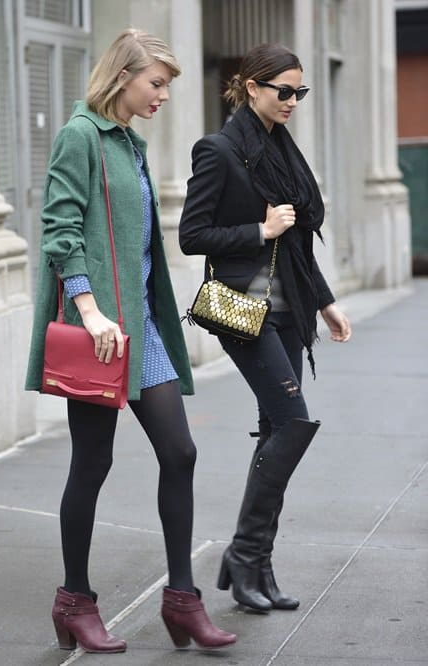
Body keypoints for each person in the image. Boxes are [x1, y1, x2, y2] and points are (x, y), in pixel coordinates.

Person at [25, 29, 237, 653]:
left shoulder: (130, 143)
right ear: (123, 77)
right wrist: (88, 309)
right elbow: (60, 226)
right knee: (93, 463)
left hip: (139, 325)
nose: (165, 95)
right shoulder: (80, 136)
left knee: (181, 452)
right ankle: (74, 599)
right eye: (157, 83)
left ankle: (181, 600)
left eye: (167, 84)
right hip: (101, 329)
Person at [179, 43, 351, 612]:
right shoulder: (220, 150)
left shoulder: (281, 150)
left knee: (277, 431)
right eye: (284, 91)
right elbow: (192, 235)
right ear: (251, 86)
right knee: (293, 422)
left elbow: (298, 242)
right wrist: (260, 229)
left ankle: (256, 563)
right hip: (244, 310)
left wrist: (324, 302)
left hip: (289, 310)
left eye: (300, 92)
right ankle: (246, 555)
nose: (292, 101)